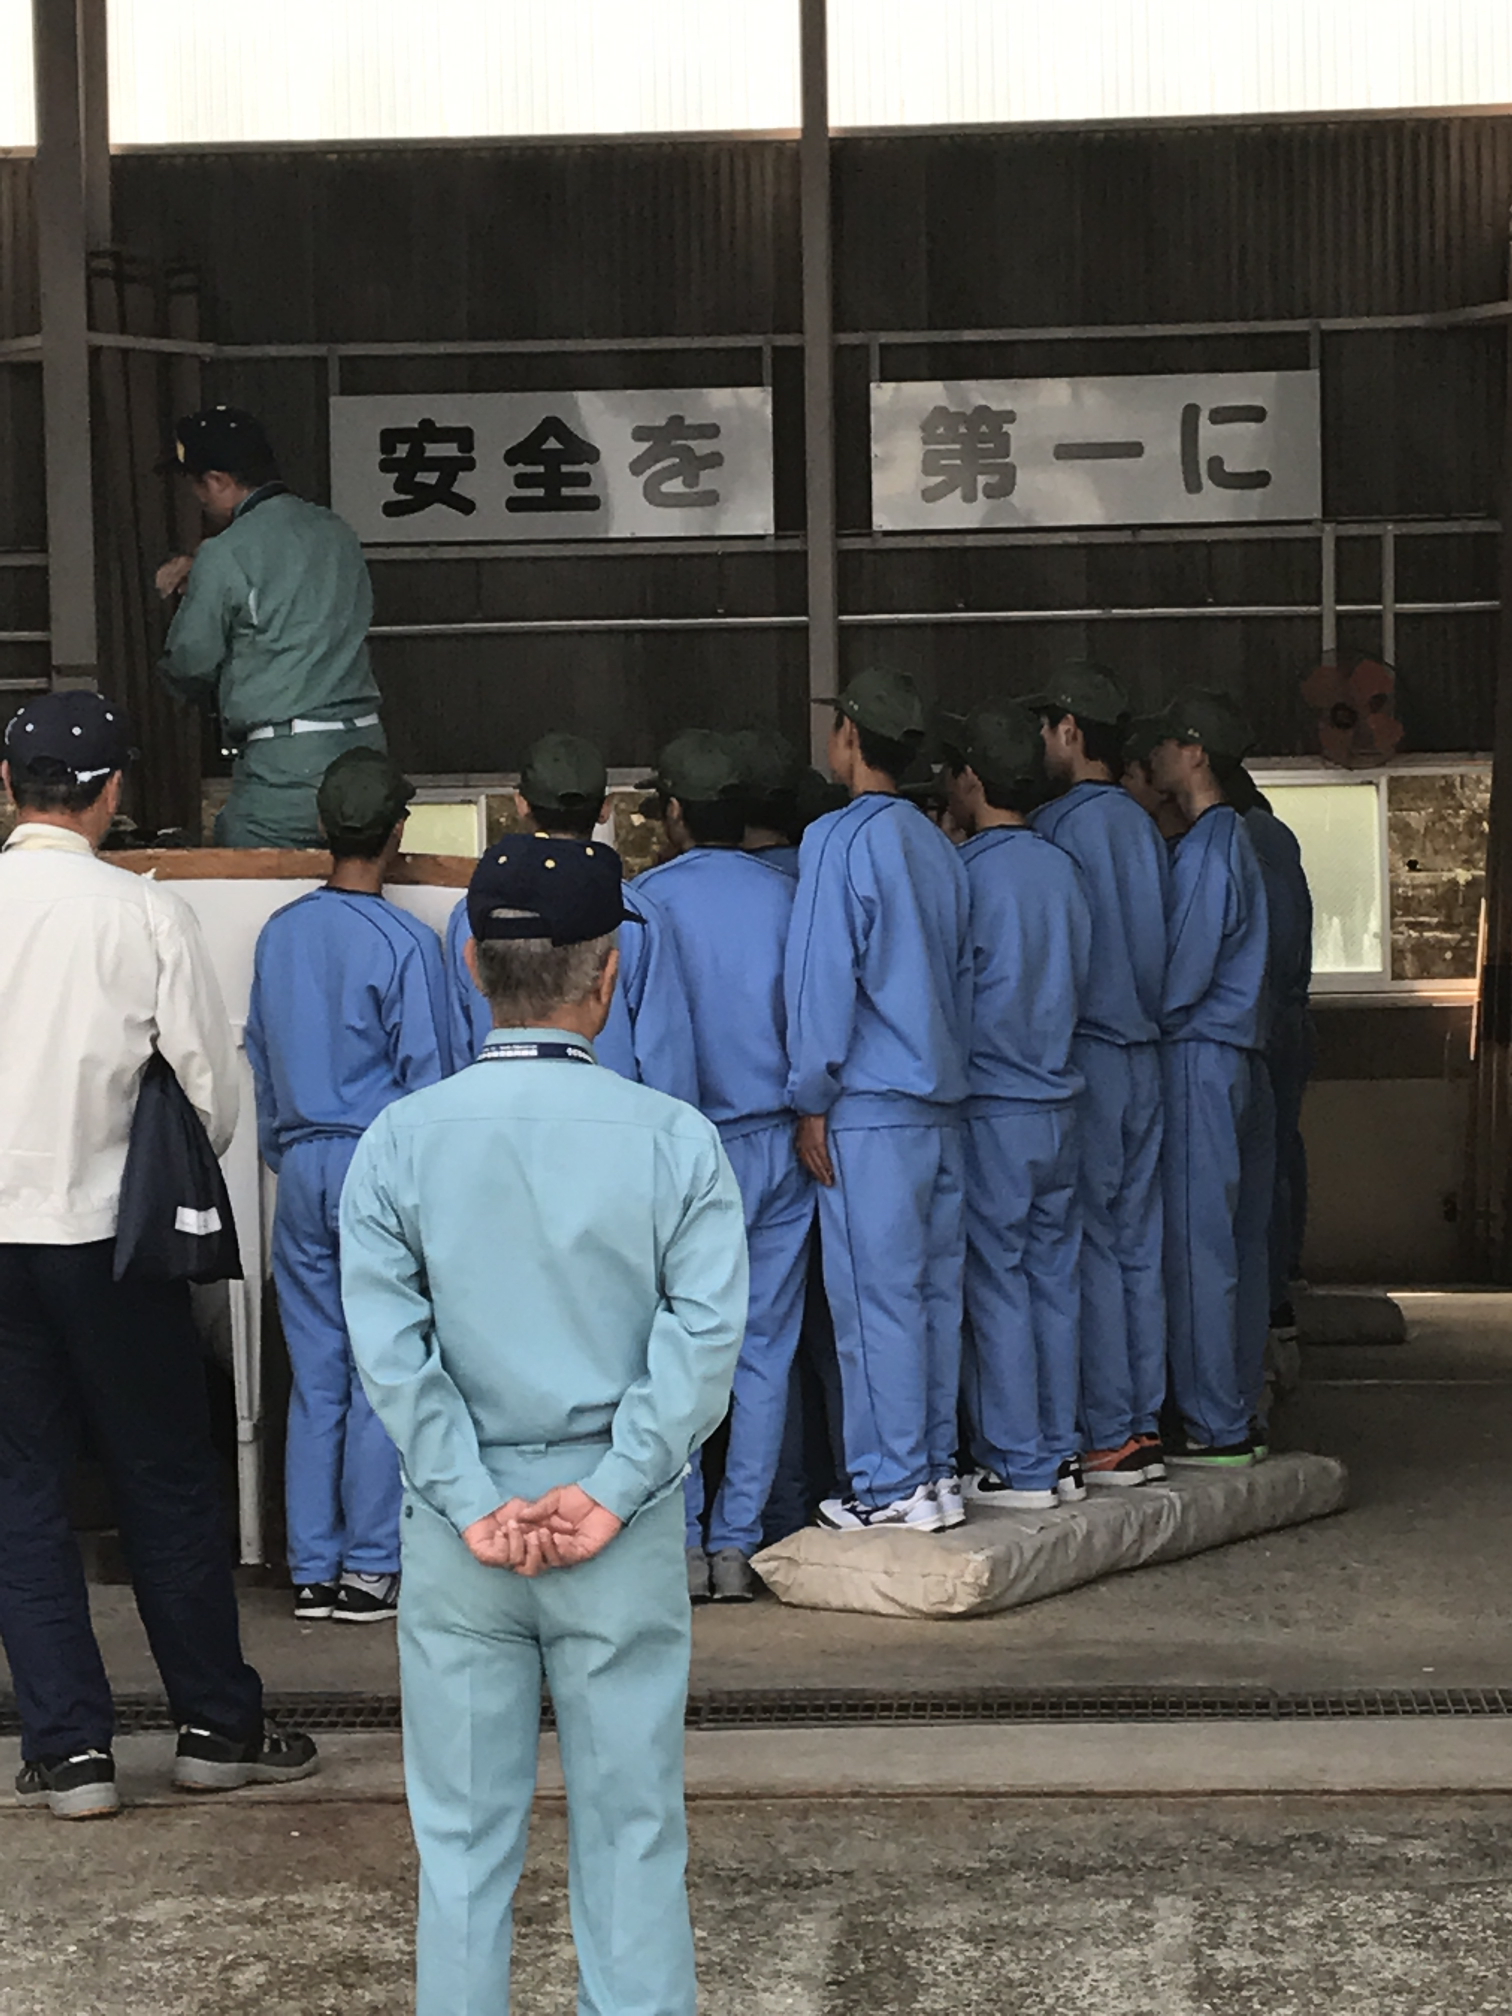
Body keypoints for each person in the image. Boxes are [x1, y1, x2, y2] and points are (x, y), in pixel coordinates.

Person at [339, 834, 747, 2016]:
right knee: (633, 1830)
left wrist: (472, 1502)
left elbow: (391, 1354)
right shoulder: (675, 1141)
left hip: (462, 1535)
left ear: (471, 964)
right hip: (613, 1528)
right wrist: (612, 1491)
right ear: (609, 976)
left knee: (463, 1849)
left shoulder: (399, 1142)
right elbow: (702, 1342)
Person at [0, 692, 316, 1820]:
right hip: (113, 1242)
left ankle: (70, 1755)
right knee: (167, 1478)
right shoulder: (143, 913)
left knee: (21, 1490)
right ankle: (216, 1730)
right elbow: (210, 1095)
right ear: (112, 793)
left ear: (7, 787)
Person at [246, 749, 452, 1623]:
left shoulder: (279, 932)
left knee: (315, 1371)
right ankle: (371, 1566)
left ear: (325, 828)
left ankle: (312, 1567)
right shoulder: (407, 943)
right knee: (380, 1367)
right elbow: (430, 1082)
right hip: (378, 1162)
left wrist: (284, 1149)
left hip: (299, 1165)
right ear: (397, 833)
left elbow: (259, 1056)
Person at [785, 666, 973, 1532]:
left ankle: (891, 1483)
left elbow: (824, 977)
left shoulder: (838, 837)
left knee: (874, 1303)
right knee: (933, 1299)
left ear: (851, 738)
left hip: (871, 1107)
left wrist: (811, 1095)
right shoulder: (938, 845)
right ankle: (934, 1472)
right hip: (943, 1102)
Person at [637, 731, 815, 1600]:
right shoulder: (788, 897)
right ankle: (738, 1546)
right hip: (781, 1137)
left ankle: (680, 1541)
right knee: (766, 1348)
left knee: (676, 1347)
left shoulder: (647, 903)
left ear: (675, 812)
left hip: (689, 1147)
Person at [1024, 664, 1170, 1488]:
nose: (1041, 743)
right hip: (1148, 1051)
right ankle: (1143, 1421)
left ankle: (1107, 1427)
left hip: (1087, 1055)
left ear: (1071, 730)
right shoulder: (1143, 828)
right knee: (1141, 1243)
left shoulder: (1058, 829)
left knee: (1090, 1248)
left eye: (1046, 728)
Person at [945, 706, 1093, 1509]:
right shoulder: (1065, 868)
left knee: (997, 1282)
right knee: (1054, 1279)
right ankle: (1062, 1450)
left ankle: (1017, 1461)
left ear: (972, 779)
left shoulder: (965, 876)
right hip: (1061, 1099)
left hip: (993, 1105)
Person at [156, 405, 383, 849]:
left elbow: (190, 661)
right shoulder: (338, 531)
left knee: (247, 863)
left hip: (286, 767)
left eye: (197, 486)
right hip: (366, 754)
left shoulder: (225, 552)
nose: (198, 499)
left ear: (218, 480)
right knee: (359, 872)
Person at [1148, 688, 1274, 1463]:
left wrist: (1129, 1026)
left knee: (1198, 1250)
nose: (1155, 757)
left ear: (1196, 754)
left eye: (1167, 744)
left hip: (1199, 1054)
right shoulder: (1238, 840)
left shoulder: (1206, 849)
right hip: (1237, 1054)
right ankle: (1234, 1404)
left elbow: (1182, 974)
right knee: (1233, 1242)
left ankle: (1213, 1422)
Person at [444, 731, 698, 1103]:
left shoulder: (472, 910)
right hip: (611, 1124)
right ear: (606, 808)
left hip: (497, 1121)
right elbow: (665, 1057)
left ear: (521, 803)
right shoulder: (635, 913)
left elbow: (457, 1045)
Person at [1226, 767, 1315, 1339]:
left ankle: (1274, 1298)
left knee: (1261, 1173)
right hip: (1281, 1016)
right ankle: (1282, 1283)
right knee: (1279, 1155)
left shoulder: (1245, 839)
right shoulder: (1272, 836)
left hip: (1261, 1021)